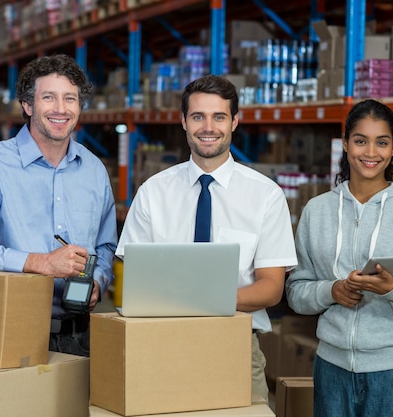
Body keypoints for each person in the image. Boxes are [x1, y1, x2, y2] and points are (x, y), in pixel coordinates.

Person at [115, 74, 297, 401]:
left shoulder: (266, 196)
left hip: (236, 343)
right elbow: (136, 279)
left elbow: (271, 288)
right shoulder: (152, 193)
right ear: (183, 121)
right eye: (198, 116)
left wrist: (203, 299)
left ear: (235, 122)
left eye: (219, 117)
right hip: (161, 342)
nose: (208, 127)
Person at [0, 54, 118, 357]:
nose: (61, 109)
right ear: (27, 105)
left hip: (81, 336)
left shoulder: (94, 170)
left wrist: (98, 281)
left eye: (70, 99)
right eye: (48, 97)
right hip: (9, 329)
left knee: (80, 407)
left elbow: (105, 245)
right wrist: (39, 263)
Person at [285, 99, 393, 417]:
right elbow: (296, 292)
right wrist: (331, 291)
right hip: (331, 369)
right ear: (345, 143)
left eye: (381, 142)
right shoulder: (317, 211)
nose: (370, 152)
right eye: (360, 140)